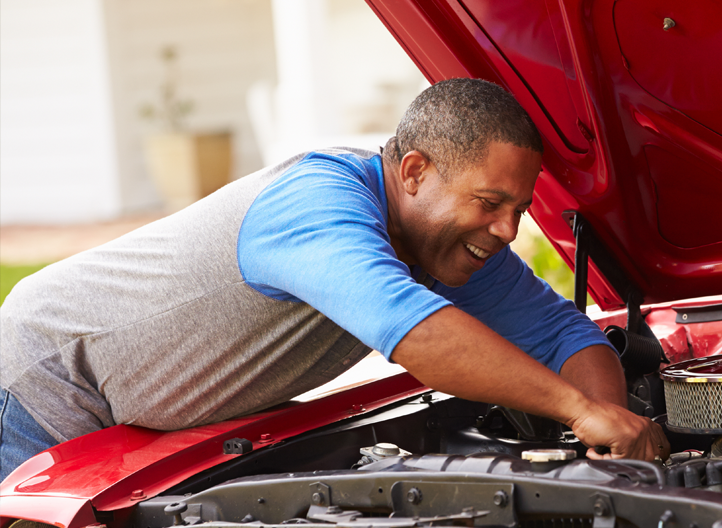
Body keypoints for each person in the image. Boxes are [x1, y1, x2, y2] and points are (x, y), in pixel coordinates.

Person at [0, 78, 668, 480]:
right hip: (45, 386)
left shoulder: (448, 244)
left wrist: (606, 426)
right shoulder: (316, 205)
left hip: (154, 411)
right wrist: (578, 410)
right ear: (413, 173)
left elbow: (562, 334)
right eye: (490, 203)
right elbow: (416, 333)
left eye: (519, 209)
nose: (507, 230)